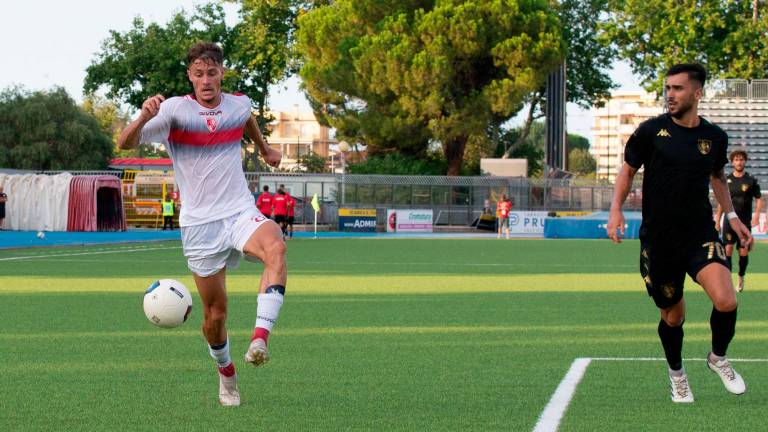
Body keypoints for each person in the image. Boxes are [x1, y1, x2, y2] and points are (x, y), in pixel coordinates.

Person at [117, 42, 286, 407]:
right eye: (198, 74)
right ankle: (226, 375)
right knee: (214, 315)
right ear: (190, 76)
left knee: (276, 245)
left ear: (222, 73)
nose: (206, 81)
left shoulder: (238, 103)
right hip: (199, 226)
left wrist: (265, 149)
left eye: (212, 73)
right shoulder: (176, 111)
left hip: (239, 210)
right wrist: (144, 116)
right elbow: (124, 142)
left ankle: (260, 339)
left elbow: (247, 118)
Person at [607, 63, 751, 403]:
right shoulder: (650, 132)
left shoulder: (715, 138)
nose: (670, 94)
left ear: (697, 93)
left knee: (726, 299)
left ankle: (717, 357)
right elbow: (627, 170)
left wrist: (731, 215)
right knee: (674, 316)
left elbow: (717, 177)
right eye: (667, 88)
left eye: (677, 88)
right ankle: (677, 374)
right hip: (659, 241)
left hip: (699, 233)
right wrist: (615, 209)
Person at [715, 149, 763, 292]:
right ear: (732, 161)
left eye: (741, 159)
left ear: (745, 161)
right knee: (728, 250)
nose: (739, 162)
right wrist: (717, 220)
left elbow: (759, 199)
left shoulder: (751, 180)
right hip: (729, 222)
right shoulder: (727, 180)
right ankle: (728, 281)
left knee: (743, 253)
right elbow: (721, 202)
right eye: (736, 159)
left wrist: (756, 216)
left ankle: (741, 277)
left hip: (745, 222)